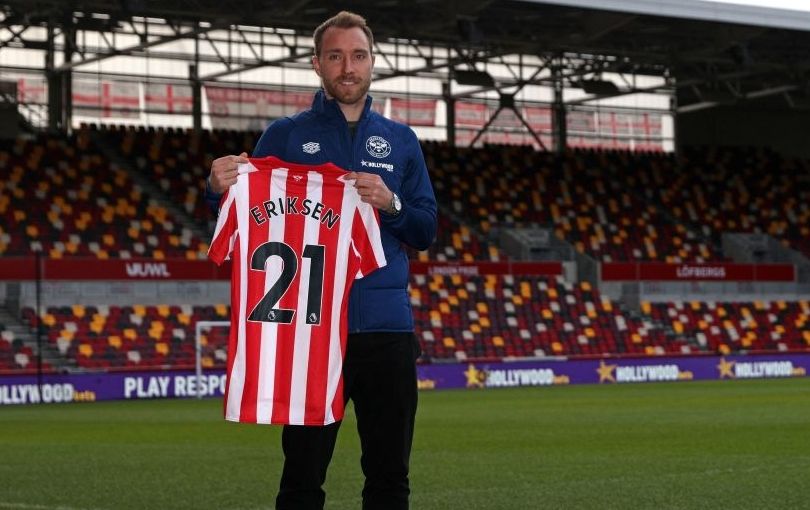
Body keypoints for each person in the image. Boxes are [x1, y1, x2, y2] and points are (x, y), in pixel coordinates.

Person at [204, 11, 437, 510]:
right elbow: (244, 216)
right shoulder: (286, 136)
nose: (347, 67)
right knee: (302, 479)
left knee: (390, 478)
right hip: (309, 338)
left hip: (387, 331)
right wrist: (216, 191)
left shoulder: (401, 141)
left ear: (372, 62)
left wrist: (391, 204)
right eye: (335, 56)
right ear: (317, 65)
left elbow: (426, 229)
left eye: (357, 55)